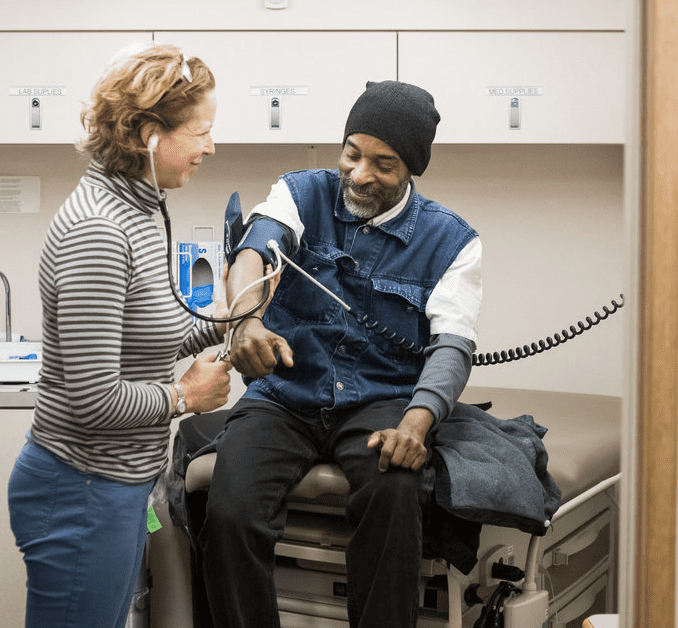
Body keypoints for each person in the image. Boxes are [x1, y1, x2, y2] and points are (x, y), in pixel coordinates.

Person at [202, 80, 483, 628]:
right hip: (285, 394)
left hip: (380, 403)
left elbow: (453, 345)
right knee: (231, 509)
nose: (359, 173)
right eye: (352, 154)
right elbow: (254, 249)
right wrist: (247, 320)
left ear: (412, 169)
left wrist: (418, 424)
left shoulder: (453, 241)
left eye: (383, 163)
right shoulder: (299, 192)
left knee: (398, 492)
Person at [7, 42, 232, 628]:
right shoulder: (99, 229)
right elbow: (93, 399)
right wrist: (187, 398)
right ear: (149, 135)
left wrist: (234, 316)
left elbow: (152, 333)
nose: (211, 146)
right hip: (80, 489)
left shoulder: (139, 208)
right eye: (201, 131)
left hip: (116, 484)